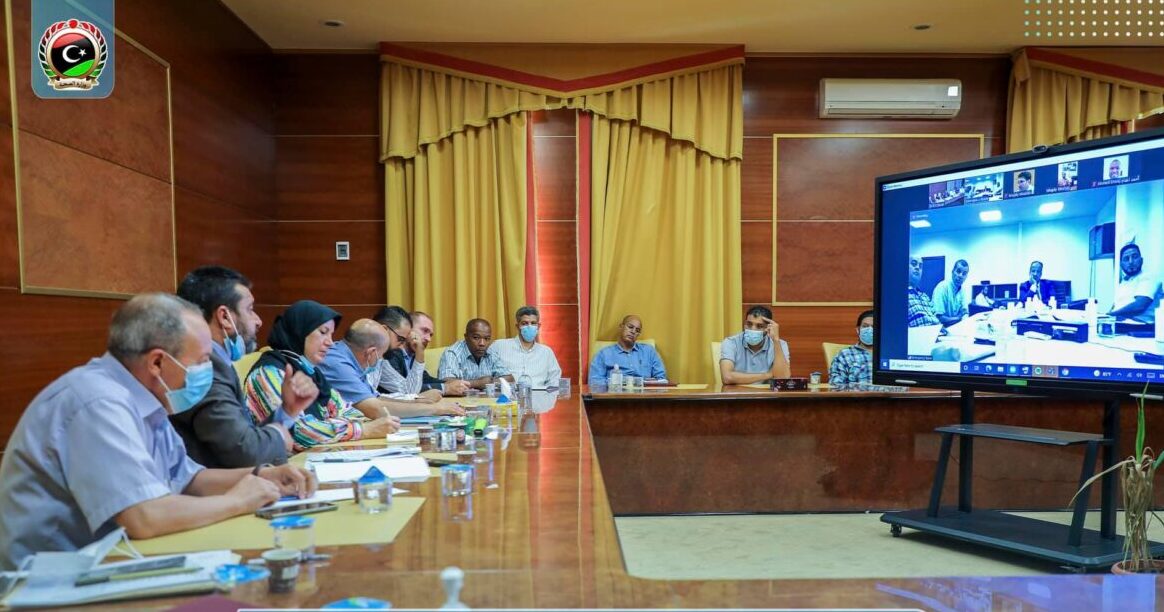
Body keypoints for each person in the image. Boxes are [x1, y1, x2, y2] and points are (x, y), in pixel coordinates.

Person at [0, 294, 317, 570]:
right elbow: (143, 517)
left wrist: (262, 474)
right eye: (202, 360)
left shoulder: (147, 397)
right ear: (157, 363)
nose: (207, 370)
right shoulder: (97, 402)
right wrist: (237, 501)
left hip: (112, 559)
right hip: (46, 581)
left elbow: (187, 479)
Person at [171, 266, 316, 468]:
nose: (258, 321)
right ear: (224, 317)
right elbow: (243, 453)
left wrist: (287, 410)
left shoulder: (218, 363)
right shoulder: (205, 367)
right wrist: (278, 435)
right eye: (250, 309)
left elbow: (240, 439)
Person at [244, 300, 399, 449]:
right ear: (300, 330)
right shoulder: (268, 372)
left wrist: (338, 425)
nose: (330, 342)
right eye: (323, 332)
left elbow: (345, 410)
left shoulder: (310, 371)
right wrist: (362, 430)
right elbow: (300, 431)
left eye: (331, 335)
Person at [317, 315, 462, 418]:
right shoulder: (338, 363)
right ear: (371, 353)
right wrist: (434, 409)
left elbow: (376, 398)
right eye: (323, 333)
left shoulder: (349, 357)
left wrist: (418, 402)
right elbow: (374, 408)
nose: (329, 342)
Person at [379, 310, 471, 397]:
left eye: (430, 335)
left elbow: (426, 379)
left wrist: (453, 384)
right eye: (425, 331)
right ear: (408, 329)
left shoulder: (412, 355)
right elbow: (406, 390)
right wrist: (445, 388)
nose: (428, 339)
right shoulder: (390, 353)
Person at [491, 306, 563, 388]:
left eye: (533, 323)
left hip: (539, 395)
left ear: (538, 326)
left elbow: (555, 380)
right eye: (524, 323)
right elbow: (486, 376)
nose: (529, 326)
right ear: (517, 326)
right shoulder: (499, 346)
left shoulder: (546, 352)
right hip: (507, 395)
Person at [719, 306, 791, 385]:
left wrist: (776, 340)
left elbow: (783, 378)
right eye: (749, 324)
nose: (753, 329)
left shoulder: (780, 345)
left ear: (768, 328)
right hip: (738, 392)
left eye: (759, 326)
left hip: (766, 392)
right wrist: (769, 375)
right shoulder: (731, 342)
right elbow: (727, 377)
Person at [588, 315, 667, 385]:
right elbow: (595, 382)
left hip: (644, 394)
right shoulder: (604, 354)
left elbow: (661, 379)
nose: (633, 331)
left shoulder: (649, 351)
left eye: (637, 330)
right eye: (630, 327)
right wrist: (616, 383)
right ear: (621, 327)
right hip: (616, 394)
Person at [437, 319, 512, 389]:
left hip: (486, 398)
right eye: (476, 338)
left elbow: (510, 379)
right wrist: (479, 383)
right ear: (466, 337)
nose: (482, 343)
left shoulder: (490, 352)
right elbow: (446, 383)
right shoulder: (452, 353)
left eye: (487, 339)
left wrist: (490, 382)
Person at [1111, 243, 1162, 323]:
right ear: (1121, 264)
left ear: (1141, 260)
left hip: (1141, 327)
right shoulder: (1123, 283)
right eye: (1126, 259)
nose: (1131, 262)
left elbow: (1139, 306)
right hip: (1120, 325)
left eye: (1134, 257)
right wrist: (1104, 317)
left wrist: (1110, 315)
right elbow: (1115, 306)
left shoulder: (1149, 277)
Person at [830, 310, 875, 386]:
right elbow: (836, 385)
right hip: (856, 393)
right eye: (865, 326)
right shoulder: (844, 355)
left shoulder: (890, 354)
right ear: (858, 330)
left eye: (874, 326)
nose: (869, 330)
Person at [930, 259, 969, 326]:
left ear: (966, 277)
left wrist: (963, 320)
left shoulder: (962, 291)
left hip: (956, 326)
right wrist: (958, 318)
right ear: (952, 271)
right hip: (941, 328)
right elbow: (939, 318)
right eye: (958, 271)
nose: (960, 276)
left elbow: (965, 312)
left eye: (964, 274)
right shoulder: (942, 287)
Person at [907, 255, 941, 328]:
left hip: (936, 332)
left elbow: (936, 318)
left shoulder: (925, 297)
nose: (917, 267)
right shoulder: (899, 296)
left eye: (920, 266)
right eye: (914, 264)